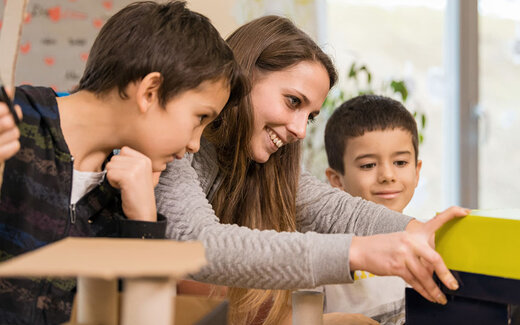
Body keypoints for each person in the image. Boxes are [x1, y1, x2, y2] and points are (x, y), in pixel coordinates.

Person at [155, 15, 468, 325]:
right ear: (243, 76)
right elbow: (200, 244)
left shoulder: (267, 166)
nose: (300, 130)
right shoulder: (173, 147)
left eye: (310, 115)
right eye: (293, 101)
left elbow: (336, 210)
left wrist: (422, 232)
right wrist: (356, 252)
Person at [0, 1, 244, 324]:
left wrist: (143, 221)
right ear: (150, 92)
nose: (194, 145)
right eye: (200, 118)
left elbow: (146, 316)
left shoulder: (126, 191)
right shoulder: (13, 122)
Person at [322, 94, 423, 325]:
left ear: (417, 171)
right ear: (336, 179)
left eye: (400, 163)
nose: (387, 175)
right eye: (368, 165)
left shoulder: (425, 239)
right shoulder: (321, 251)